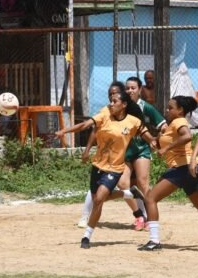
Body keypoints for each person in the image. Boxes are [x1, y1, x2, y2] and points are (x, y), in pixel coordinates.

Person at [138, 96, 198, 254]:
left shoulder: (179, 122)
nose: (167, 110)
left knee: (150, 198)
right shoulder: (173, 124)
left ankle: (154, 240)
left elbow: (187, 136)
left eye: (171, 108)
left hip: (182, 169)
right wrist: (156, 141)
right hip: (191, 168)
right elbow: (172, 139)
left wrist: (166, 148)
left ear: (180, 110)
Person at [57, 88, 151, 249]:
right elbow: (86, 125)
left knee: (99, 199)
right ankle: (127, 193)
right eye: (111, 100)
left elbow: (150, 138)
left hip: (115, 168)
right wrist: (64, 131)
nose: (111, 103)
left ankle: (86, 236)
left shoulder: (133, 122)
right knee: (96, 200)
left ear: (124, 105)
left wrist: (161, 143)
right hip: (98, 165)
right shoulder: (104, 113)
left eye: (115, 101)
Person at [124, 76, 166, 230]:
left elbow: (163, 125)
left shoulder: (146, 107)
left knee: (142, 183)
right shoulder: (120, 107)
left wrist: (161, 138)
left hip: (142, 148)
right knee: (124, 184)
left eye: (133, 88)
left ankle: (150, 217)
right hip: (125, 150)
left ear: (140, 90)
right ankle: (139, 215)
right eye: (127, 88)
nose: (129, 91)